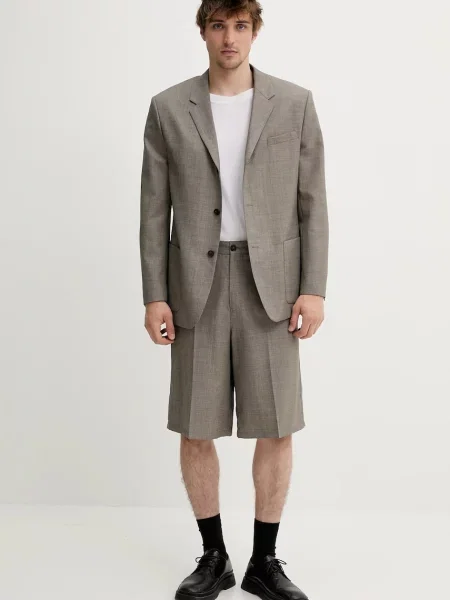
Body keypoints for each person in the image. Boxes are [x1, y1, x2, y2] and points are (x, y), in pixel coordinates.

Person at [139, 1, 329, 598]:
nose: (229, 37)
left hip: (272, 284)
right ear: (203, 31)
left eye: (240, 26)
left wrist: (314, 287)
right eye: (218, 25)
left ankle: (264, 562)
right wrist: (154, 295)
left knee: (277, 426)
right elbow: (153, 211)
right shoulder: (169, 107)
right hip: (194, 285)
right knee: (196, 427)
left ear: (255, 31)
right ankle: (214, 556)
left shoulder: (293, 103)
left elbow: (313, 203)